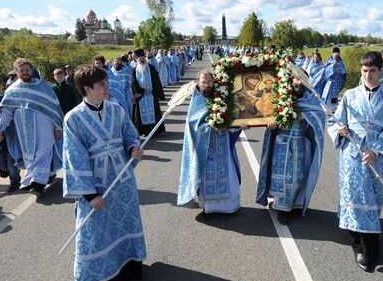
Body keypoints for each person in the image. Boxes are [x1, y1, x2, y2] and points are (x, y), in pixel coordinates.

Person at [62, 64, 146, 281]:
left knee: (124, 224)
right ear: (87, 89)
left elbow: (129, 135)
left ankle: (130, 269)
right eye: (102, 85)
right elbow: (74, 158)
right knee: (92, 236)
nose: (107, 88)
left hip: (122, 181)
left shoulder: (116, 109)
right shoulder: (73, 118)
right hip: (97, 187)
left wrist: (134, 148)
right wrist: (89, 195)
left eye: (106, 83)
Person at [328, 51, 383, 273]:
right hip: (352, 157)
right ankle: (361, 246)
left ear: (380, 71)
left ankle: (365, 240)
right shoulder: (350, 95)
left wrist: (376, 151)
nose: (368, 75)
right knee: (354, 197)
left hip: (375, 160)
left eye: (372, 71)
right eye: (364, 71)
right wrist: (340, 130)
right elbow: (336, 120)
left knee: (373, 201)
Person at [256, 76, 326, 224]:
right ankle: (282, 208)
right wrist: (272, 124)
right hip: (282, 141)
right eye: (295, 79)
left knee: (298, 176)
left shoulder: (310, 99)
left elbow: (318, 116)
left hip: (299, 142)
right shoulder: (280, 97)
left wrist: (304, 116)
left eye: (301, 80)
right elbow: (268, 115)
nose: (298, 83)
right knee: (282, 176)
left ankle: (295, 204)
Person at [177, 70, 248, 215]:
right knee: (206, 178)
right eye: (204, 82)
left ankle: (229, 207)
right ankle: (209, 208)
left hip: (223, 145)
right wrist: (210, 125)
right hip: (205, 149)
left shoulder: (221, 98)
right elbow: (192, 125)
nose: (207, 85)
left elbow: (231, 119)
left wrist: (237, 126)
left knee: (227, 173)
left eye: (209, 82)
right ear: (198, 83)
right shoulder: (196, 102)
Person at [0, 58, 63, 198]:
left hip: (44, 125)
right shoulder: (12, 90)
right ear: (17, 72)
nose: (25, 72)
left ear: (31, 70)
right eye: (22, 70)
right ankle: (39, 180)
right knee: (30, 155)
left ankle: (37, 184)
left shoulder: (42, 86)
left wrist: (57, 127)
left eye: (27, 70)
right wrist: (0, 130)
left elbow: (54, 108)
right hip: (23, 130)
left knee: (44, 151)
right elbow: (6, 112)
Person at [0, 94, 21, 192]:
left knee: (11, 165)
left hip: (10, 144)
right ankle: (15, 173)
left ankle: (14, 182)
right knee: (1, 164)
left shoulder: (10, 114)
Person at [131, 49, 166, 137]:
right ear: (137, 59)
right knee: (140, 115)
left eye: (143, 58)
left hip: (151, 95)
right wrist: (142, 91)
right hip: (141, 96)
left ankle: (155, 131)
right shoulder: (134, 70)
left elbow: (157, 81)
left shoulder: (151, 68)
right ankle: (143, 131)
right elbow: (133, 84)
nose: (142, 59)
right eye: (140, 58)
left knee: (154, 113)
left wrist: (158, 94)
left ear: (145, 58)